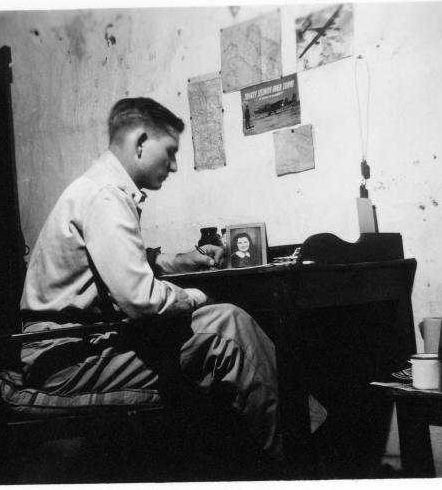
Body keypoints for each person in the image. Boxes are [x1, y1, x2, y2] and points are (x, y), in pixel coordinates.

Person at [20, 97, 284, 467]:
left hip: (71, 347)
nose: (174, 165)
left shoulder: (97, 187)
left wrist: (177, 261)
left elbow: (119, 263)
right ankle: (297, 457)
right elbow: (140, 299)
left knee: (221, 333)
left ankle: (279, 444)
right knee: (227, 324)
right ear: (141, 142)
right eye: (171, 152)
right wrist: (194, 295)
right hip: (65, 360)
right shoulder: (105, 196)